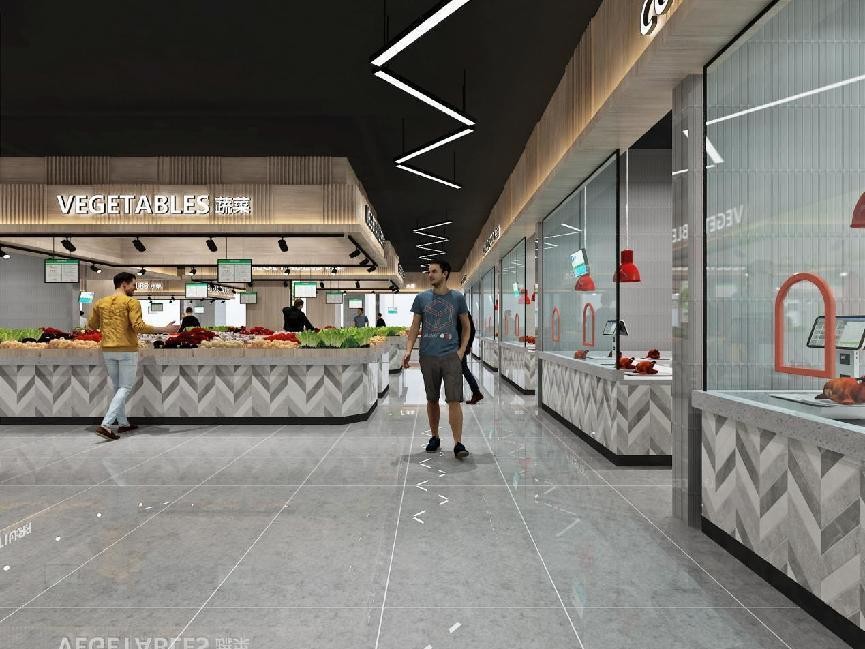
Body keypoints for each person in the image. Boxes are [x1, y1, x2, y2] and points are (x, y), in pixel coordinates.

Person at [87, 272, 179, 441]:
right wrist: (165, 329)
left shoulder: (100, 303)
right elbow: (139, 326)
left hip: (107, 349)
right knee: (125, 387)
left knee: (118, 387)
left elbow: (91, 325)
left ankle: (123, 423)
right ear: (124, 284)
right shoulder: (131, 302)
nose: (135, 289)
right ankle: (106, 425)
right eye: (133, 285)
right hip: (127, 349)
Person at [403, 259, 471, 459]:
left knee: (454, 400)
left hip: (451, 356)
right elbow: (415, 326)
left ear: (445, 273)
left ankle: (458, 443)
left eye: (434, 271)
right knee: (431, 399)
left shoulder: (457, 298)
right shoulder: (421, 298)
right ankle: (434, 437)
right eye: (428, 271)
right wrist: (408, 350)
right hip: (428, 356)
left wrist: (461, 351)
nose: (430, 275)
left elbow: (466, 327)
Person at [460, 311, 483, 404]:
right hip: (457, 346)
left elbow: (471, 330)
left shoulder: (463, 312)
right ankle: (475, 393)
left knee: (464, 370)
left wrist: (468, 345)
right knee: (461, 370)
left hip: (460, 346)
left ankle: (476, 392)